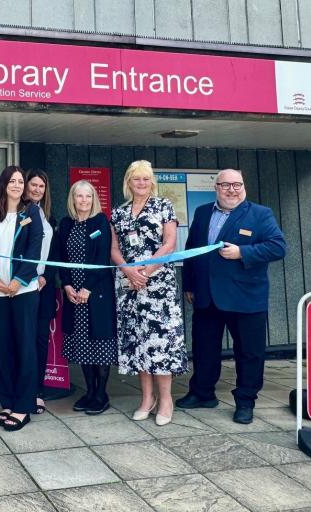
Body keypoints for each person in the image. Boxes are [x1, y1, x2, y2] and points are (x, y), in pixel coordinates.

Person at [176, 168, 286, 424]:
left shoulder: (260, 214)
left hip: (246, 298)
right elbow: (192, 248)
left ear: (243, 186)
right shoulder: (203, 212)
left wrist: (242, 253)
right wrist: (189, 285)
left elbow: (278, 247)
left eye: (237, 184)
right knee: (204, 349)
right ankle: (202, 393)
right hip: (206, 296)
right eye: (225, 185)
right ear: (216, 188)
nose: (231, 189)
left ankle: (245, 401)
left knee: (249, 352)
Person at [110, 160, 186, 427]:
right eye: (136, 179)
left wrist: (147, 270)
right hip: (129, 286)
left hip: (158, 287)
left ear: (152, 181)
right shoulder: (119, 212)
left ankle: (166, 399)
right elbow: (115, 249)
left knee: (160, 343)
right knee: (138, 342)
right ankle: (147, 398)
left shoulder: (164, 206)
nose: (141, 183)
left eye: (145, 179)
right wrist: (129, 272)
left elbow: (170, 243)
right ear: (128, 182)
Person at [0, 165, 43, 432]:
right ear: (4, 183)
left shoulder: (32, 212)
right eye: (13, 181)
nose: (17, 185)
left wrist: (18, 281)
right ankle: (7, 401)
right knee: (4, 349)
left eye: (21, 181)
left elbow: (34, 249)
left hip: (24, 291)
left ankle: (23, 405)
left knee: (25, 348)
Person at [59, 180, 116, 414]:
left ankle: (102, 394)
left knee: (99, 345)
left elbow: (102, 258)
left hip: (96, 293)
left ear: (94, 199)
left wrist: (87, 289)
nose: (83, 201)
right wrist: (67, 285)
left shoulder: (100, 222)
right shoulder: (65, 224)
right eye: (79, 196)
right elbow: (61, 257)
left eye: (88, 196)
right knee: (82, 345)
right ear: (72, 199)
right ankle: (90, 391)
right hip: (74, 295)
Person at [24, 169, 58, 414]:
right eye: (33, 185)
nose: (36, 190)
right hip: (23, 285)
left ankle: (37, 391)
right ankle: (23, 389)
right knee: (24, 339)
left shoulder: (49, 217)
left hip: (43, 287)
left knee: (40, 340)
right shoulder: (21, 213)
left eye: (41, 186)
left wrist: (46, 277)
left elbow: (54, 254)